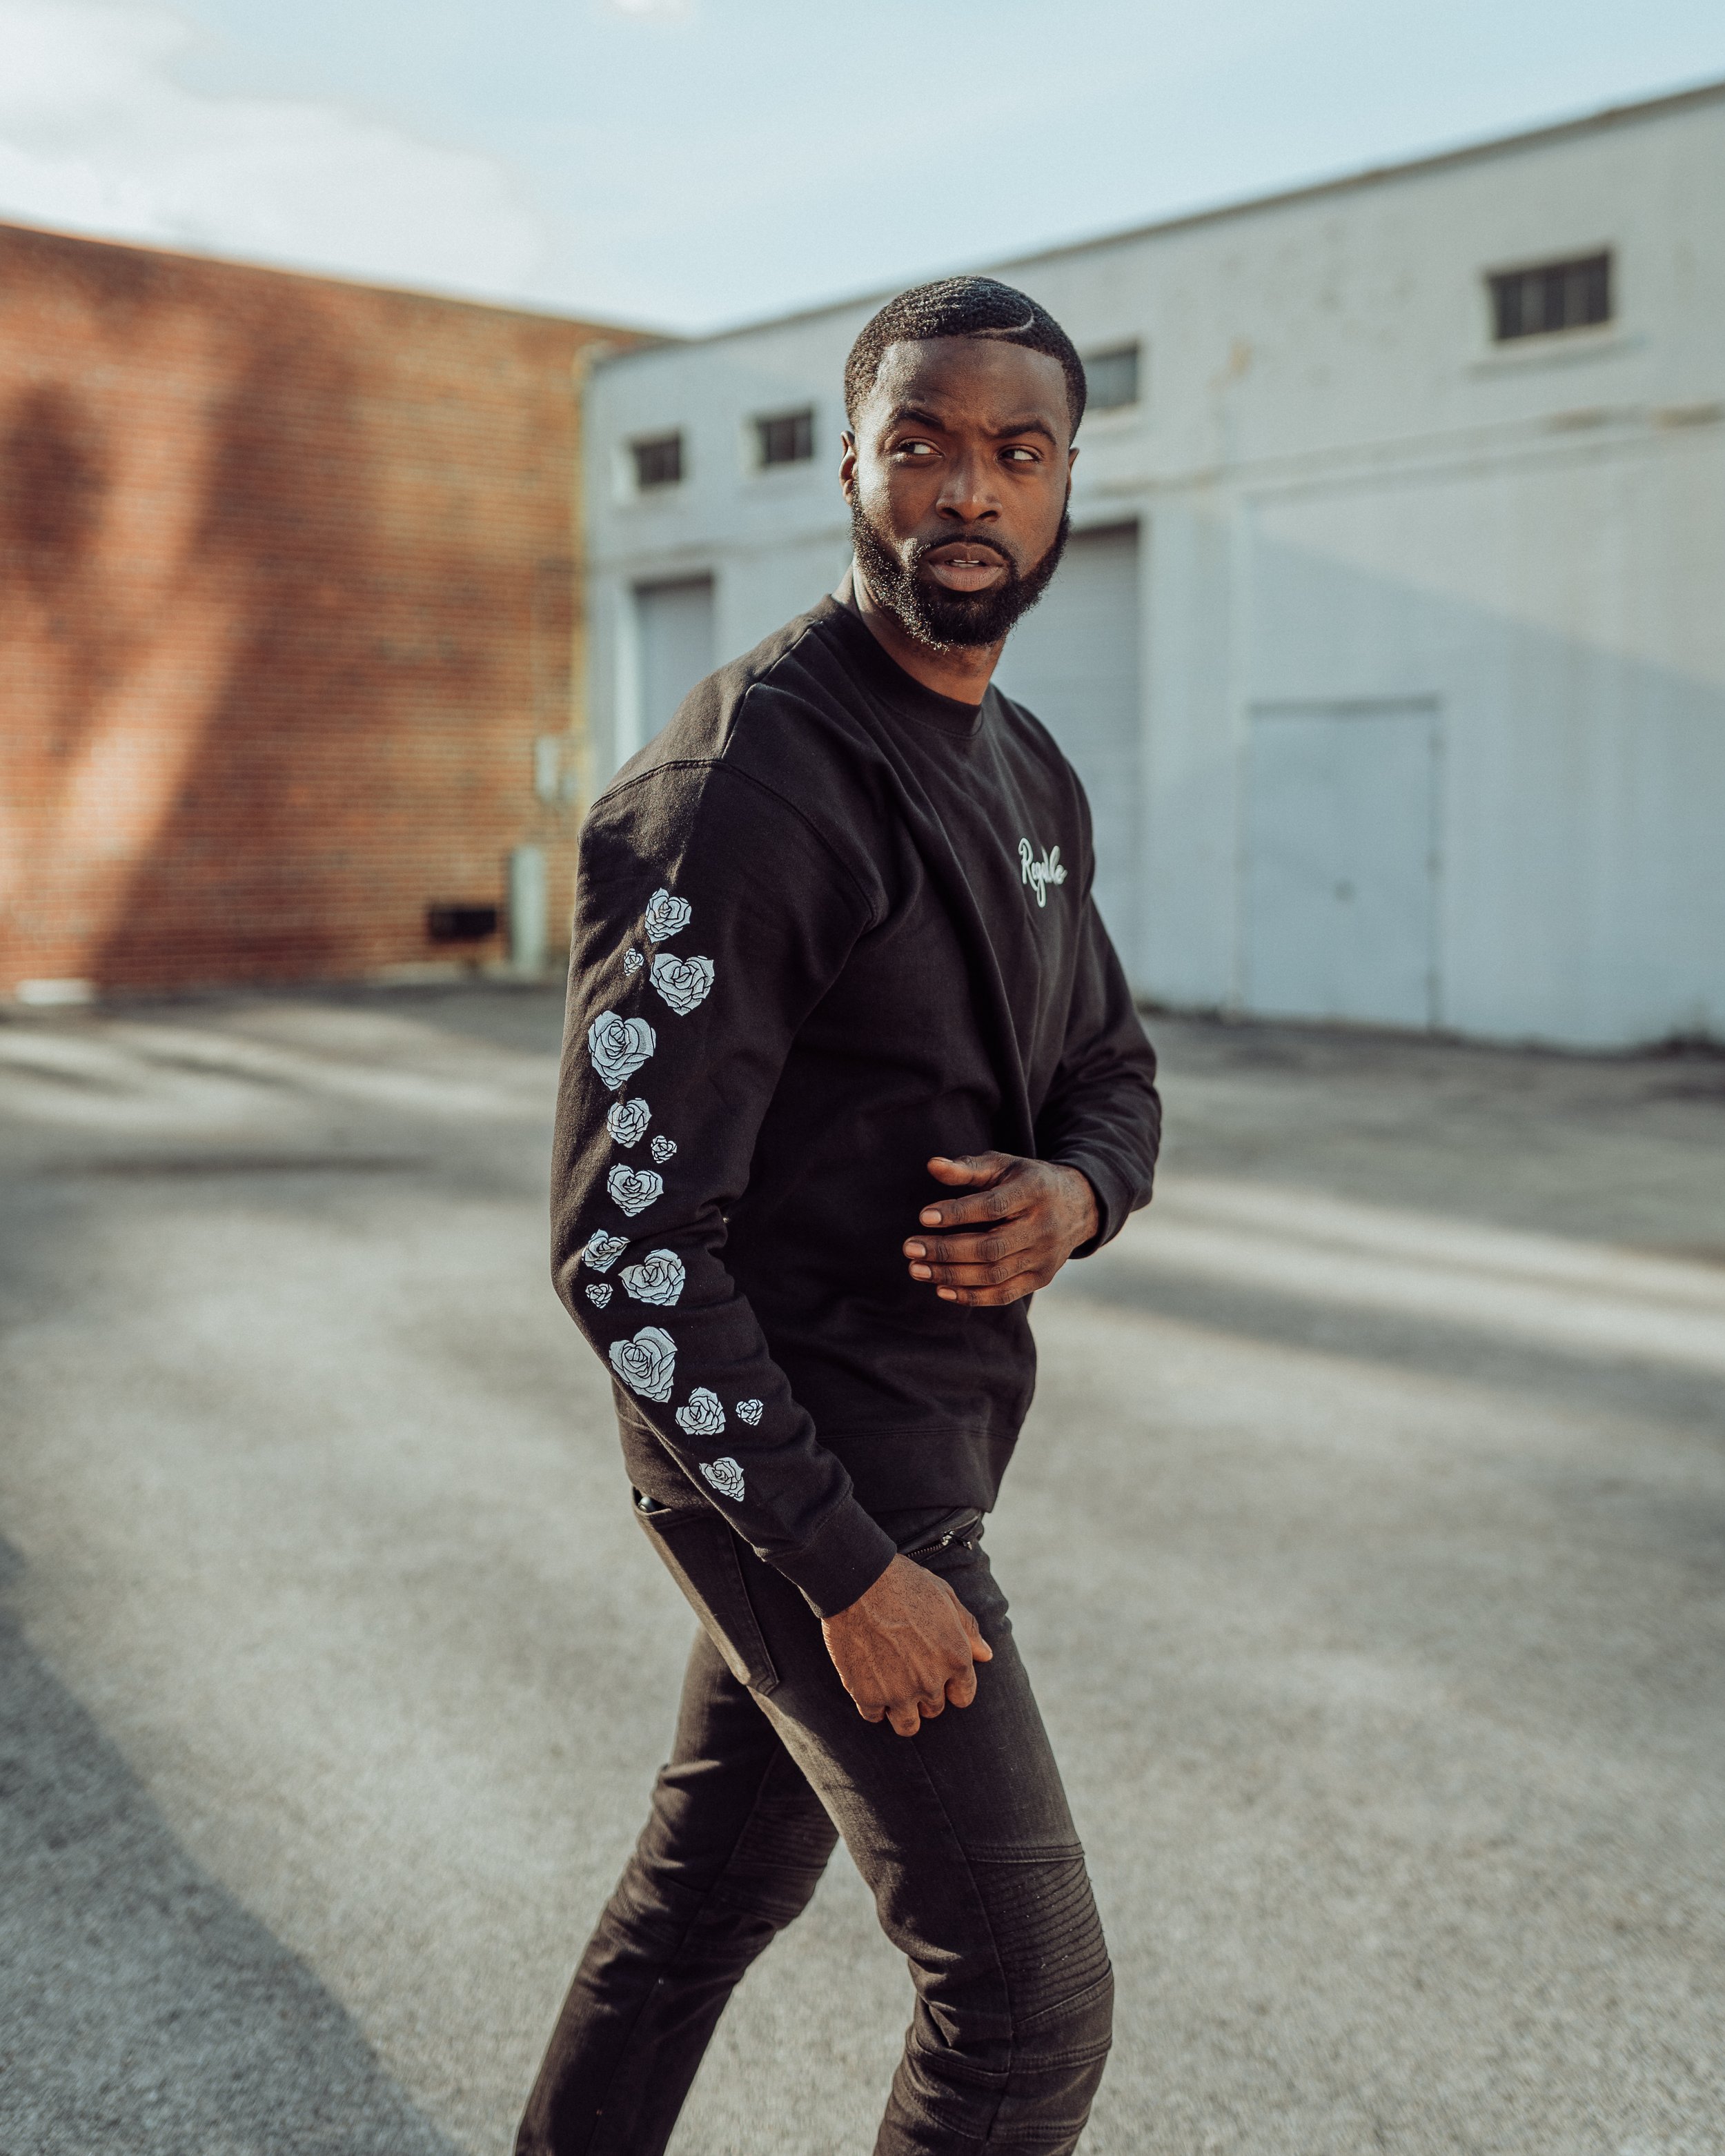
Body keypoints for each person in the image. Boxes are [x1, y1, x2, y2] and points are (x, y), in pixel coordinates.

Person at [518, 275, 1161, 2156]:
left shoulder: (1022, 768)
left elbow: (1110, 1064)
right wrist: (844, 1569)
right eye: (922, 445)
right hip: (814, 1477)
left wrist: (1077, 1191)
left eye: (1016, 454)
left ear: (1062, 490)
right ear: (852, 467)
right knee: (1025, 2007)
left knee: (695, 1904)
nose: (968, 491)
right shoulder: (746, 790)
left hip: (926, 1431)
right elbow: (621, 1248)